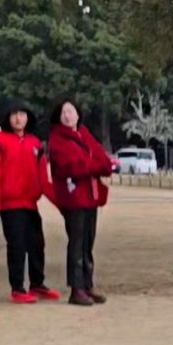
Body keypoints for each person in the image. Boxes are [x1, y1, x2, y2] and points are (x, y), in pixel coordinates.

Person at [0, 101, 59, 305]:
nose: (18, 118)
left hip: (30, 205)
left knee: (37, 244)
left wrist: (60, 202)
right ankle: (17, 288)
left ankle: (37, 284)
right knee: (17, 246)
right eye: (14, 114)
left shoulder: (35, 143)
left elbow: (43, 178)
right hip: (10, 205)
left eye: (22, 114)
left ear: (28, 118)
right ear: (8, 118)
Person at [46, 98, 113, 306]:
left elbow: (104, 162)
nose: (67, 116)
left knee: (88, 242)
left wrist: (93, 164)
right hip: (73, 198)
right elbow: (71, 166)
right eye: (63, 112)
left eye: (71, 111)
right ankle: (76, 288)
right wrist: (93, 165)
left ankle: (87, 284)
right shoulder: (57, 139)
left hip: (90, 196)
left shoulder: (84, 133)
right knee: (76, 242)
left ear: (77, 114)